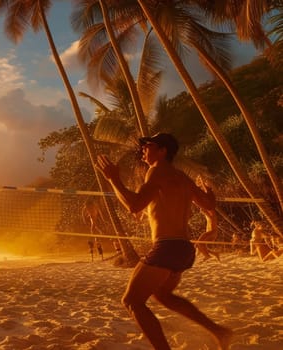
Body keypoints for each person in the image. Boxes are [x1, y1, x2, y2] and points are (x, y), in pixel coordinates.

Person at [96, 133, 232, 350]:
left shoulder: (156, 172)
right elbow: (208, 204)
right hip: (184, 249)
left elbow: (134, 205)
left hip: (167, 247)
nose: (142, 149)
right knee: (163, 295)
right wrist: (210, 194)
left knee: (132, 301)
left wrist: (113, 179)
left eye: (147, 145)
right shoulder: (181, 177)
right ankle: (219, 332)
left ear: (163, 151)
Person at [195, 177, 220, 262]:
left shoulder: (211, 208)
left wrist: (202, 181)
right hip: (210, 231)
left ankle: (207, 256)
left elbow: (211, 218)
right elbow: (201, 202)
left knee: (199, 244)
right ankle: (213, 254)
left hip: (212, 232)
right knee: (200, 245)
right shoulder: (208, 208)